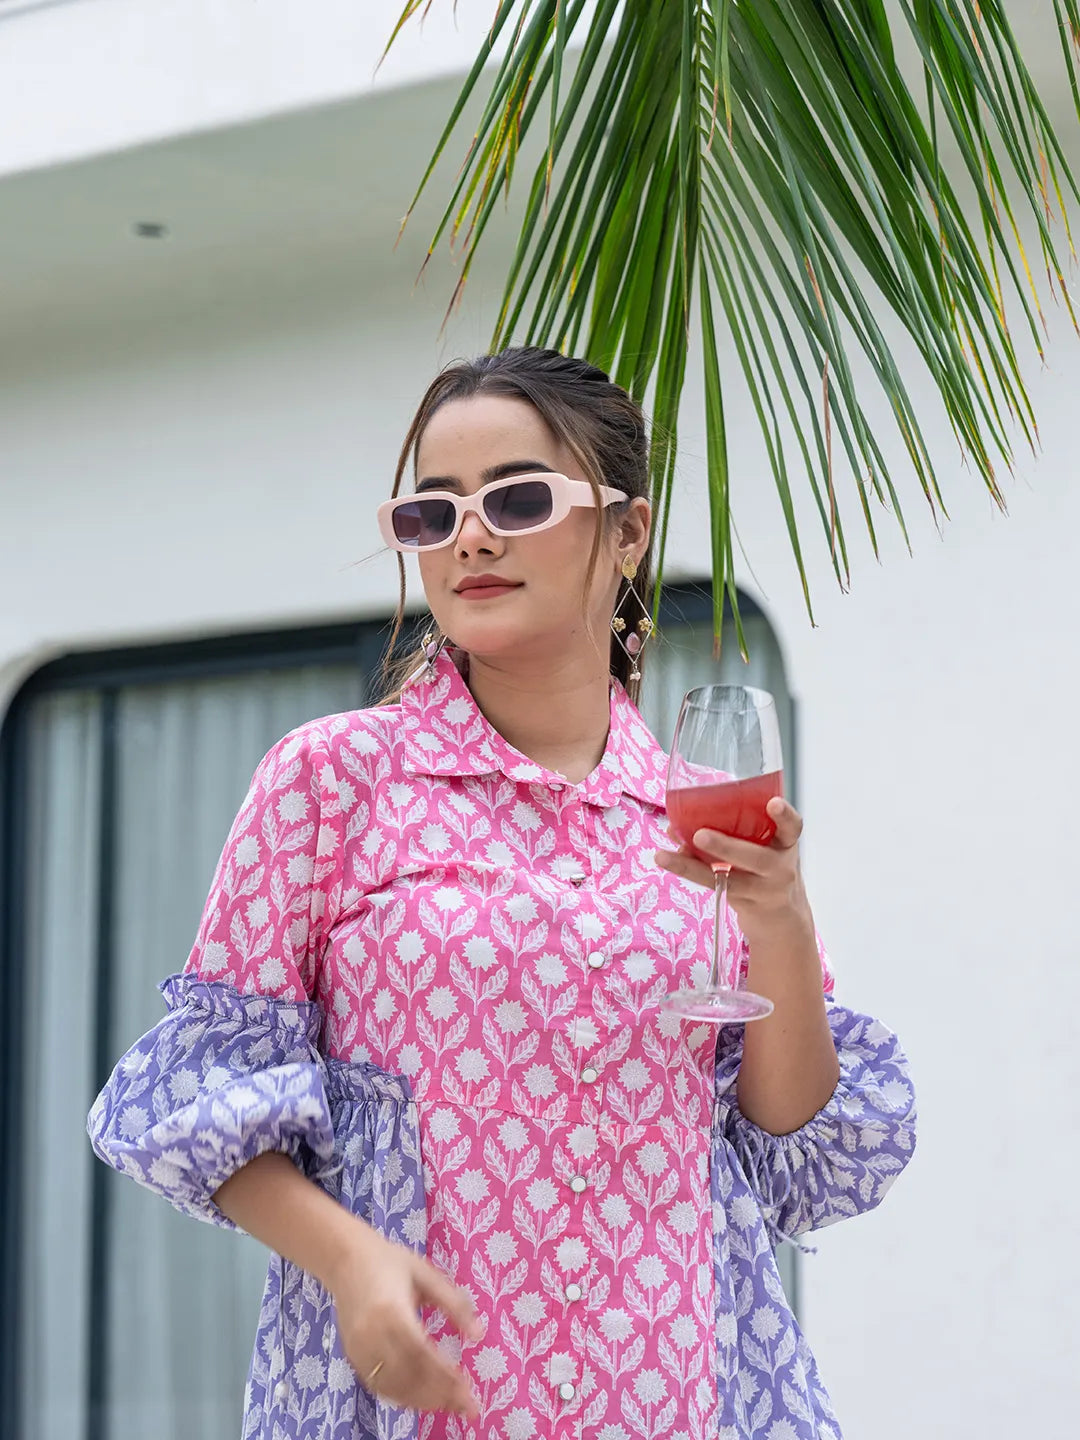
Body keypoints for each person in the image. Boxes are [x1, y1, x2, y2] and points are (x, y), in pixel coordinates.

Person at [88, 346, 916, 1440]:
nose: (470, 535)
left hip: (684, 1392)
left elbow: (786, 1136)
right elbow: (206, 1097)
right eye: (432, 512)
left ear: (627, 533)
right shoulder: (331, 780)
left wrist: (781, 921)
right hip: (414, 1400)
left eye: (517, 498)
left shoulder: (691, 804)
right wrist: (353, 1260)